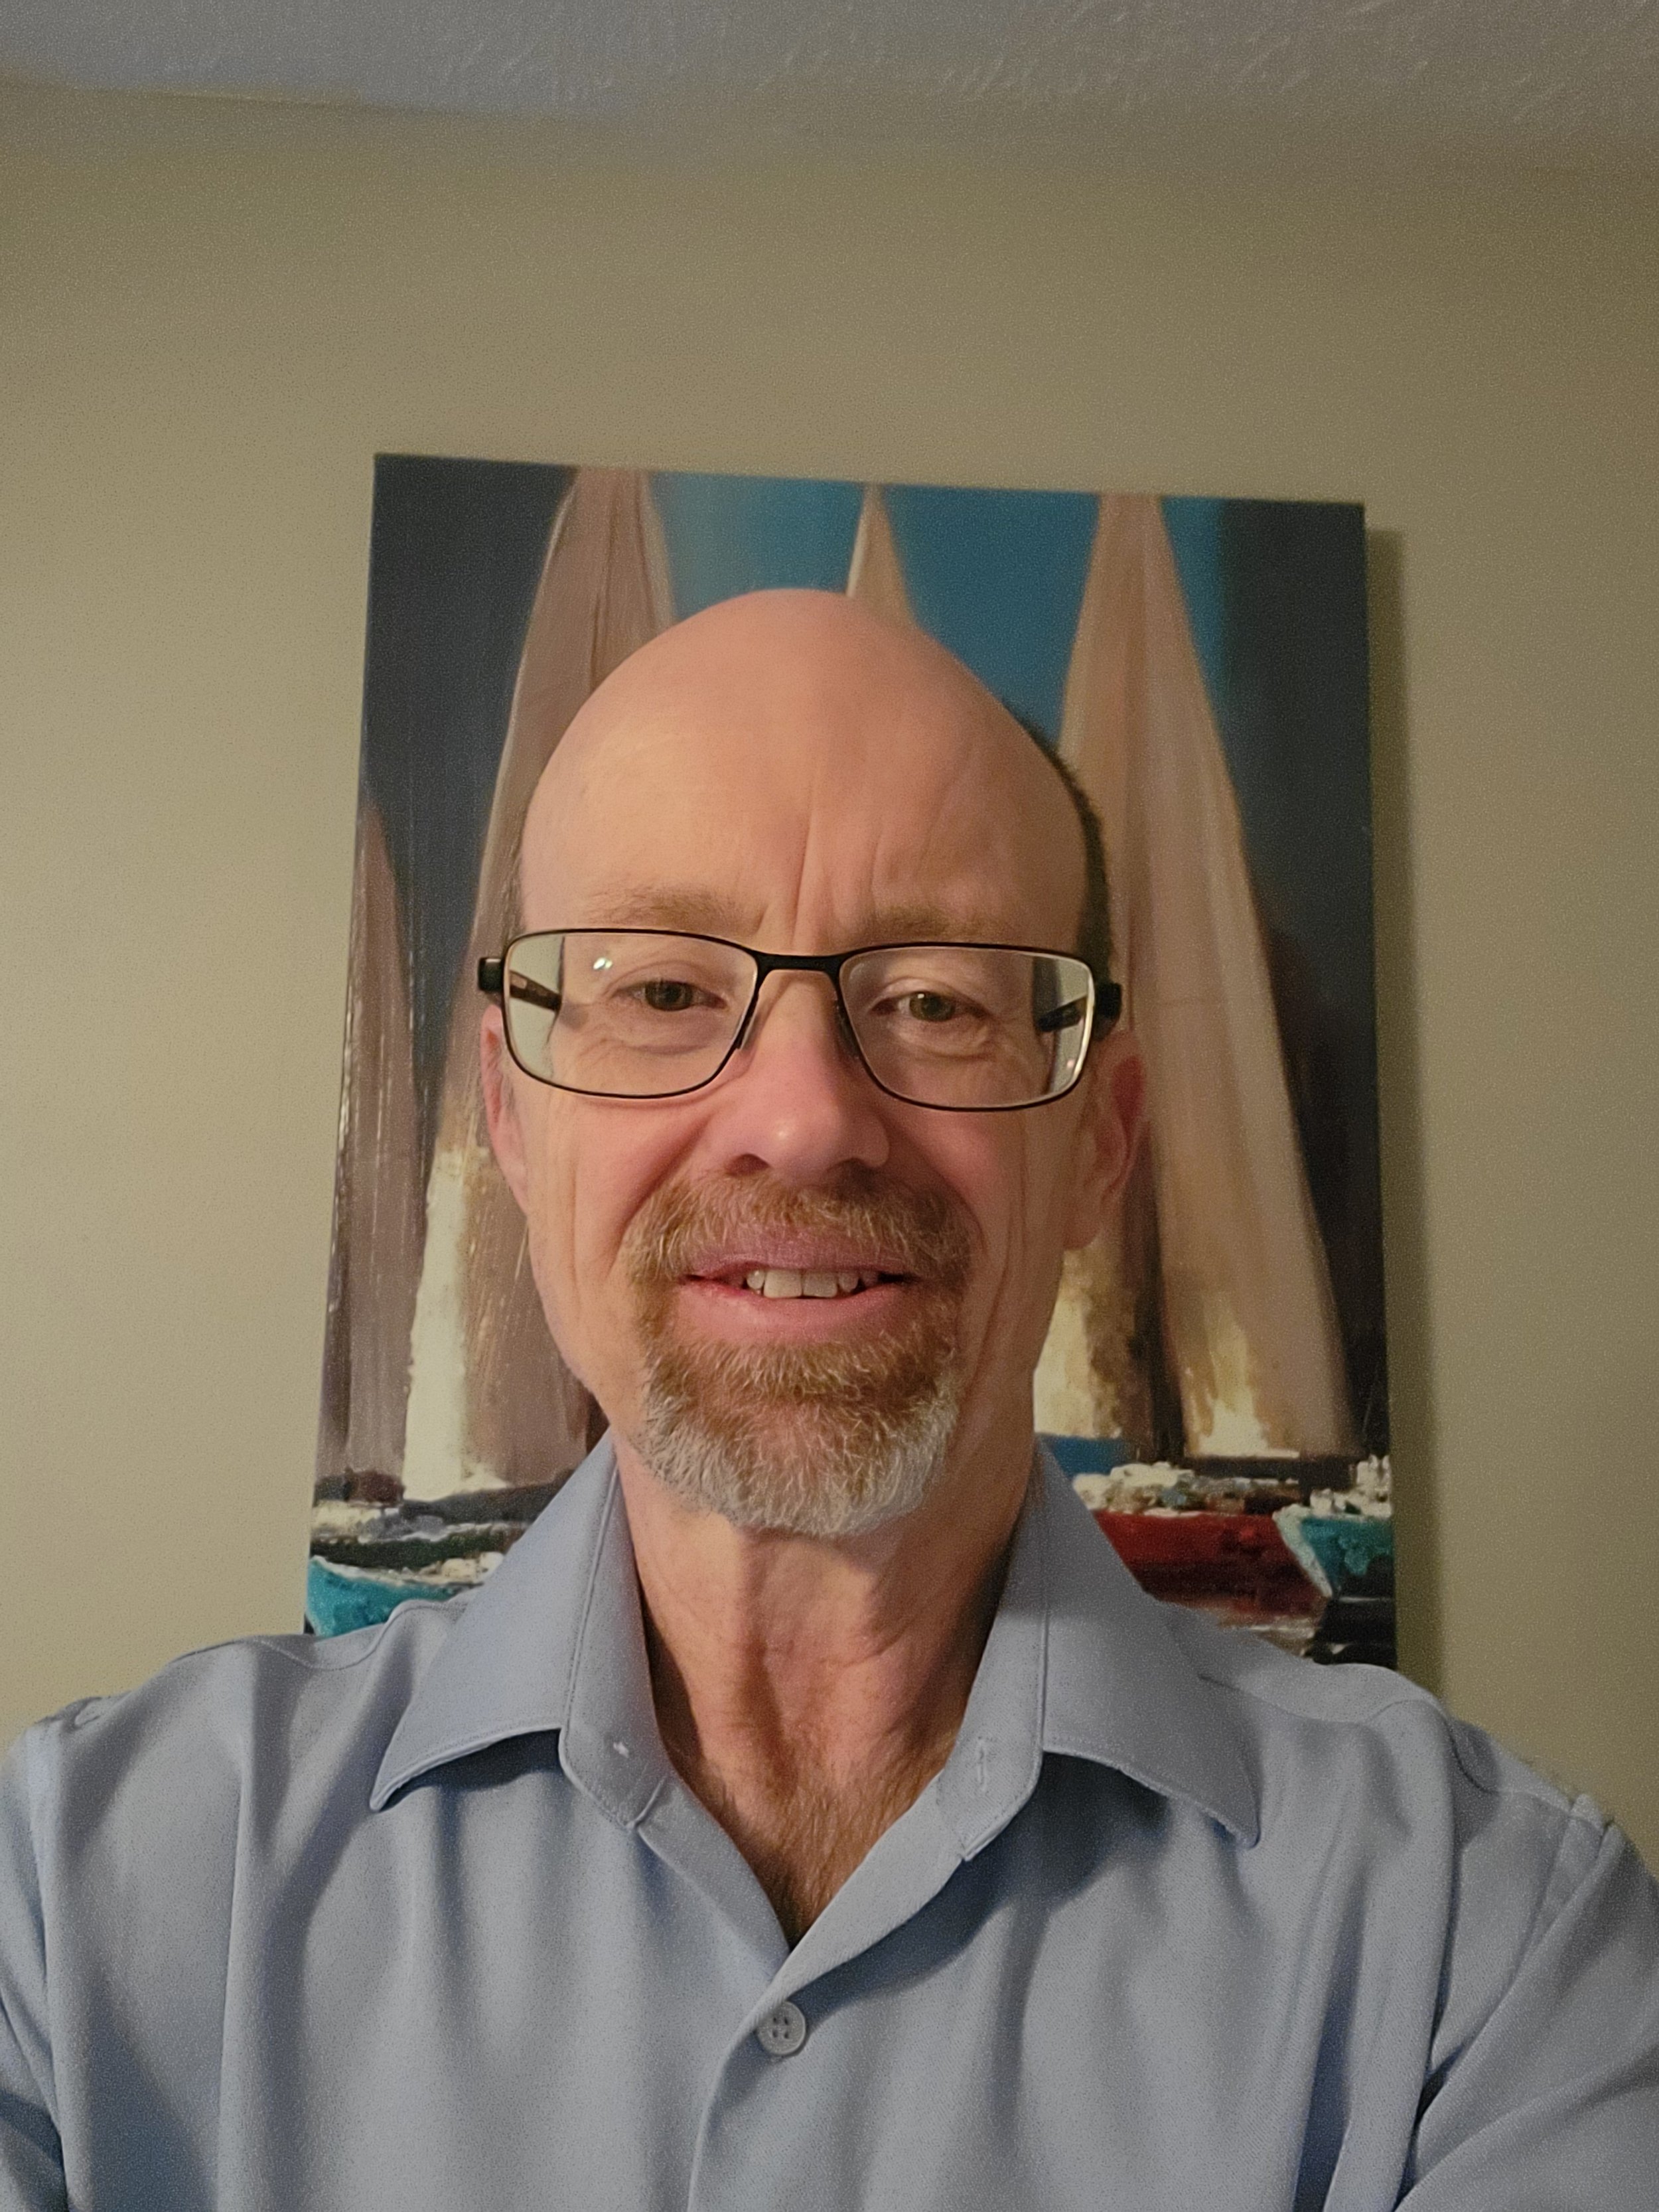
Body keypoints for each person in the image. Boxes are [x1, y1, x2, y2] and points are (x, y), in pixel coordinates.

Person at [1, 591, 1655, 2210]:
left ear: (1100, 1142)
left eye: (934, 999)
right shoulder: (69, 1909)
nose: (799, 1119)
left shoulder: (1486, 1952)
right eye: (663, 991)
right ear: (509, 1116)